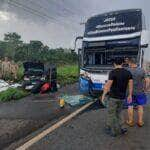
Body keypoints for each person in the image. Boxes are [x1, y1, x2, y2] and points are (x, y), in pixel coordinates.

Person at [101, 57, 133, 137]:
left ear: (114, 63)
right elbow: (130, 85)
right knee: (119, 112)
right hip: (122, 97)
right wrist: (130, 95)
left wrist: (103, 95)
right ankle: (122, 127)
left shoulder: (113, 72)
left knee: (111, 113)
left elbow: (108, 86)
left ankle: (113, 131)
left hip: (113, 97)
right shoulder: (128, 73)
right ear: (122, 63)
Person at [126, 58, 147, 127]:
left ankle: (130, 121)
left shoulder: (127, 70)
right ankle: (140, 122)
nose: (128, 64)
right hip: (140, 92)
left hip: (130, 93)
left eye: (128, 63)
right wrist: (145, 88)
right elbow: (148, 80)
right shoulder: (141, 70)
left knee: (130, 106)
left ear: (131, 63)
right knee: (140, 106)